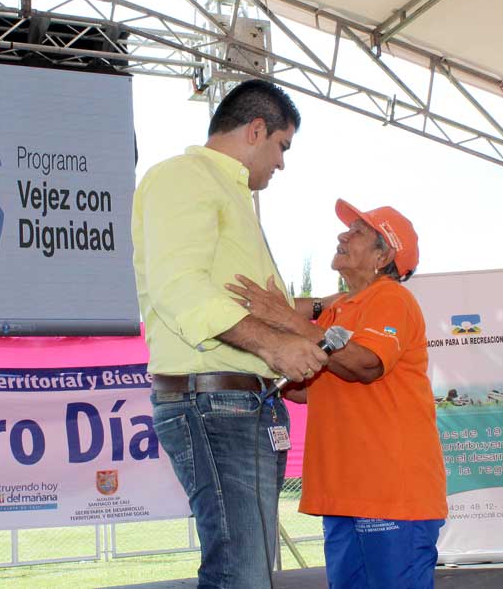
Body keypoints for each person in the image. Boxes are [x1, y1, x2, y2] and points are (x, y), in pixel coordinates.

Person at [131, 79, 328, 589]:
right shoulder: (184, 176)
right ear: (256, 130)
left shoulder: (229, 193)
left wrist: (312, 320)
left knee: (248, 570)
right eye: (282, 146)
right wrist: (273, 345)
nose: (281, 163)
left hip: (244, 404)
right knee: (241, 574)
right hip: (215, 404)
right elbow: (179, 288)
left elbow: (255, 303)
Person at [228, 200, 448, 589]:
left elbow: (366, 364)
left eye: (358, 232)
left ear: (383, 256)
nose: (343, 235)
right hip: (344, 493)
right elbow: (308, 389)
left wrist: (285, 318)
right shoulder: (338, 312)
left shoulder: (391, 298)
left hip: (390, 490)